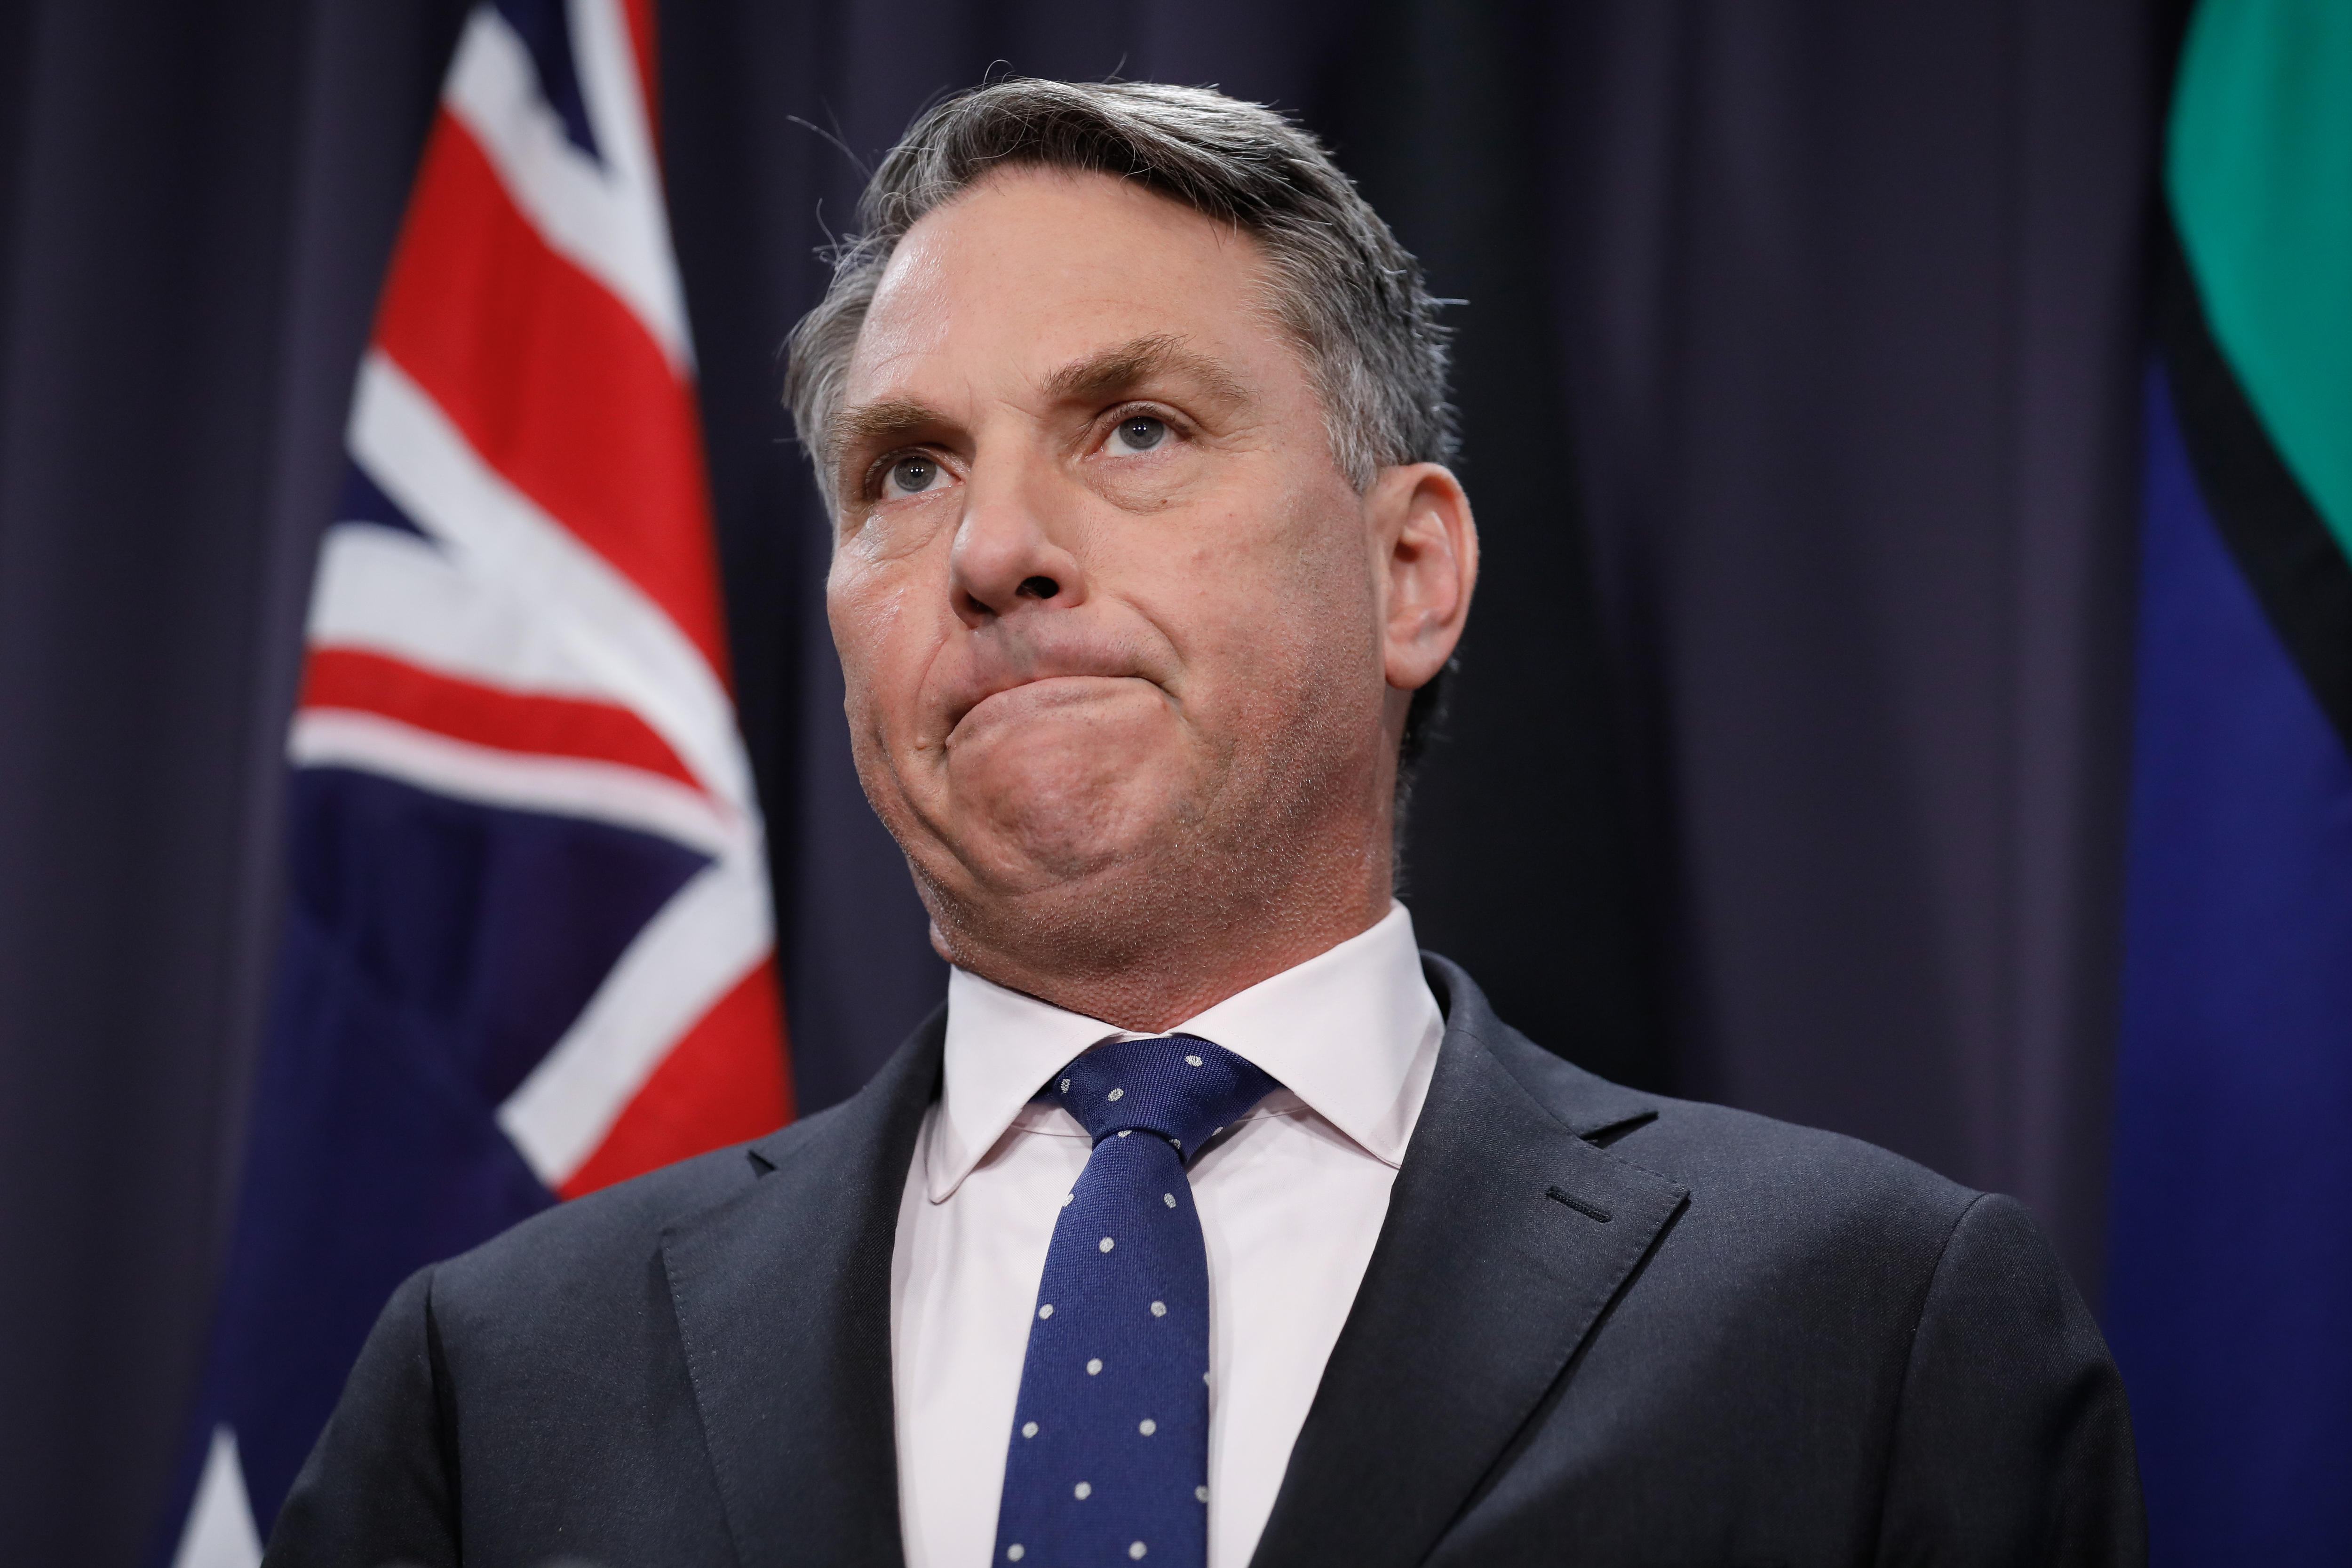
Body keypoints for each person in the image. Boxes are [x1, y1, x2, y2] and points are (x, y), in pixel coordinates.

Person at [266, 79, 2143, 1568]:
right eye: (906, 470)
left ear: (1409, 570)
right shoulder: (494, 1381)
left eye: (1133, 429)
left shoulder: (1874, 1338)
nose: (991, 551)